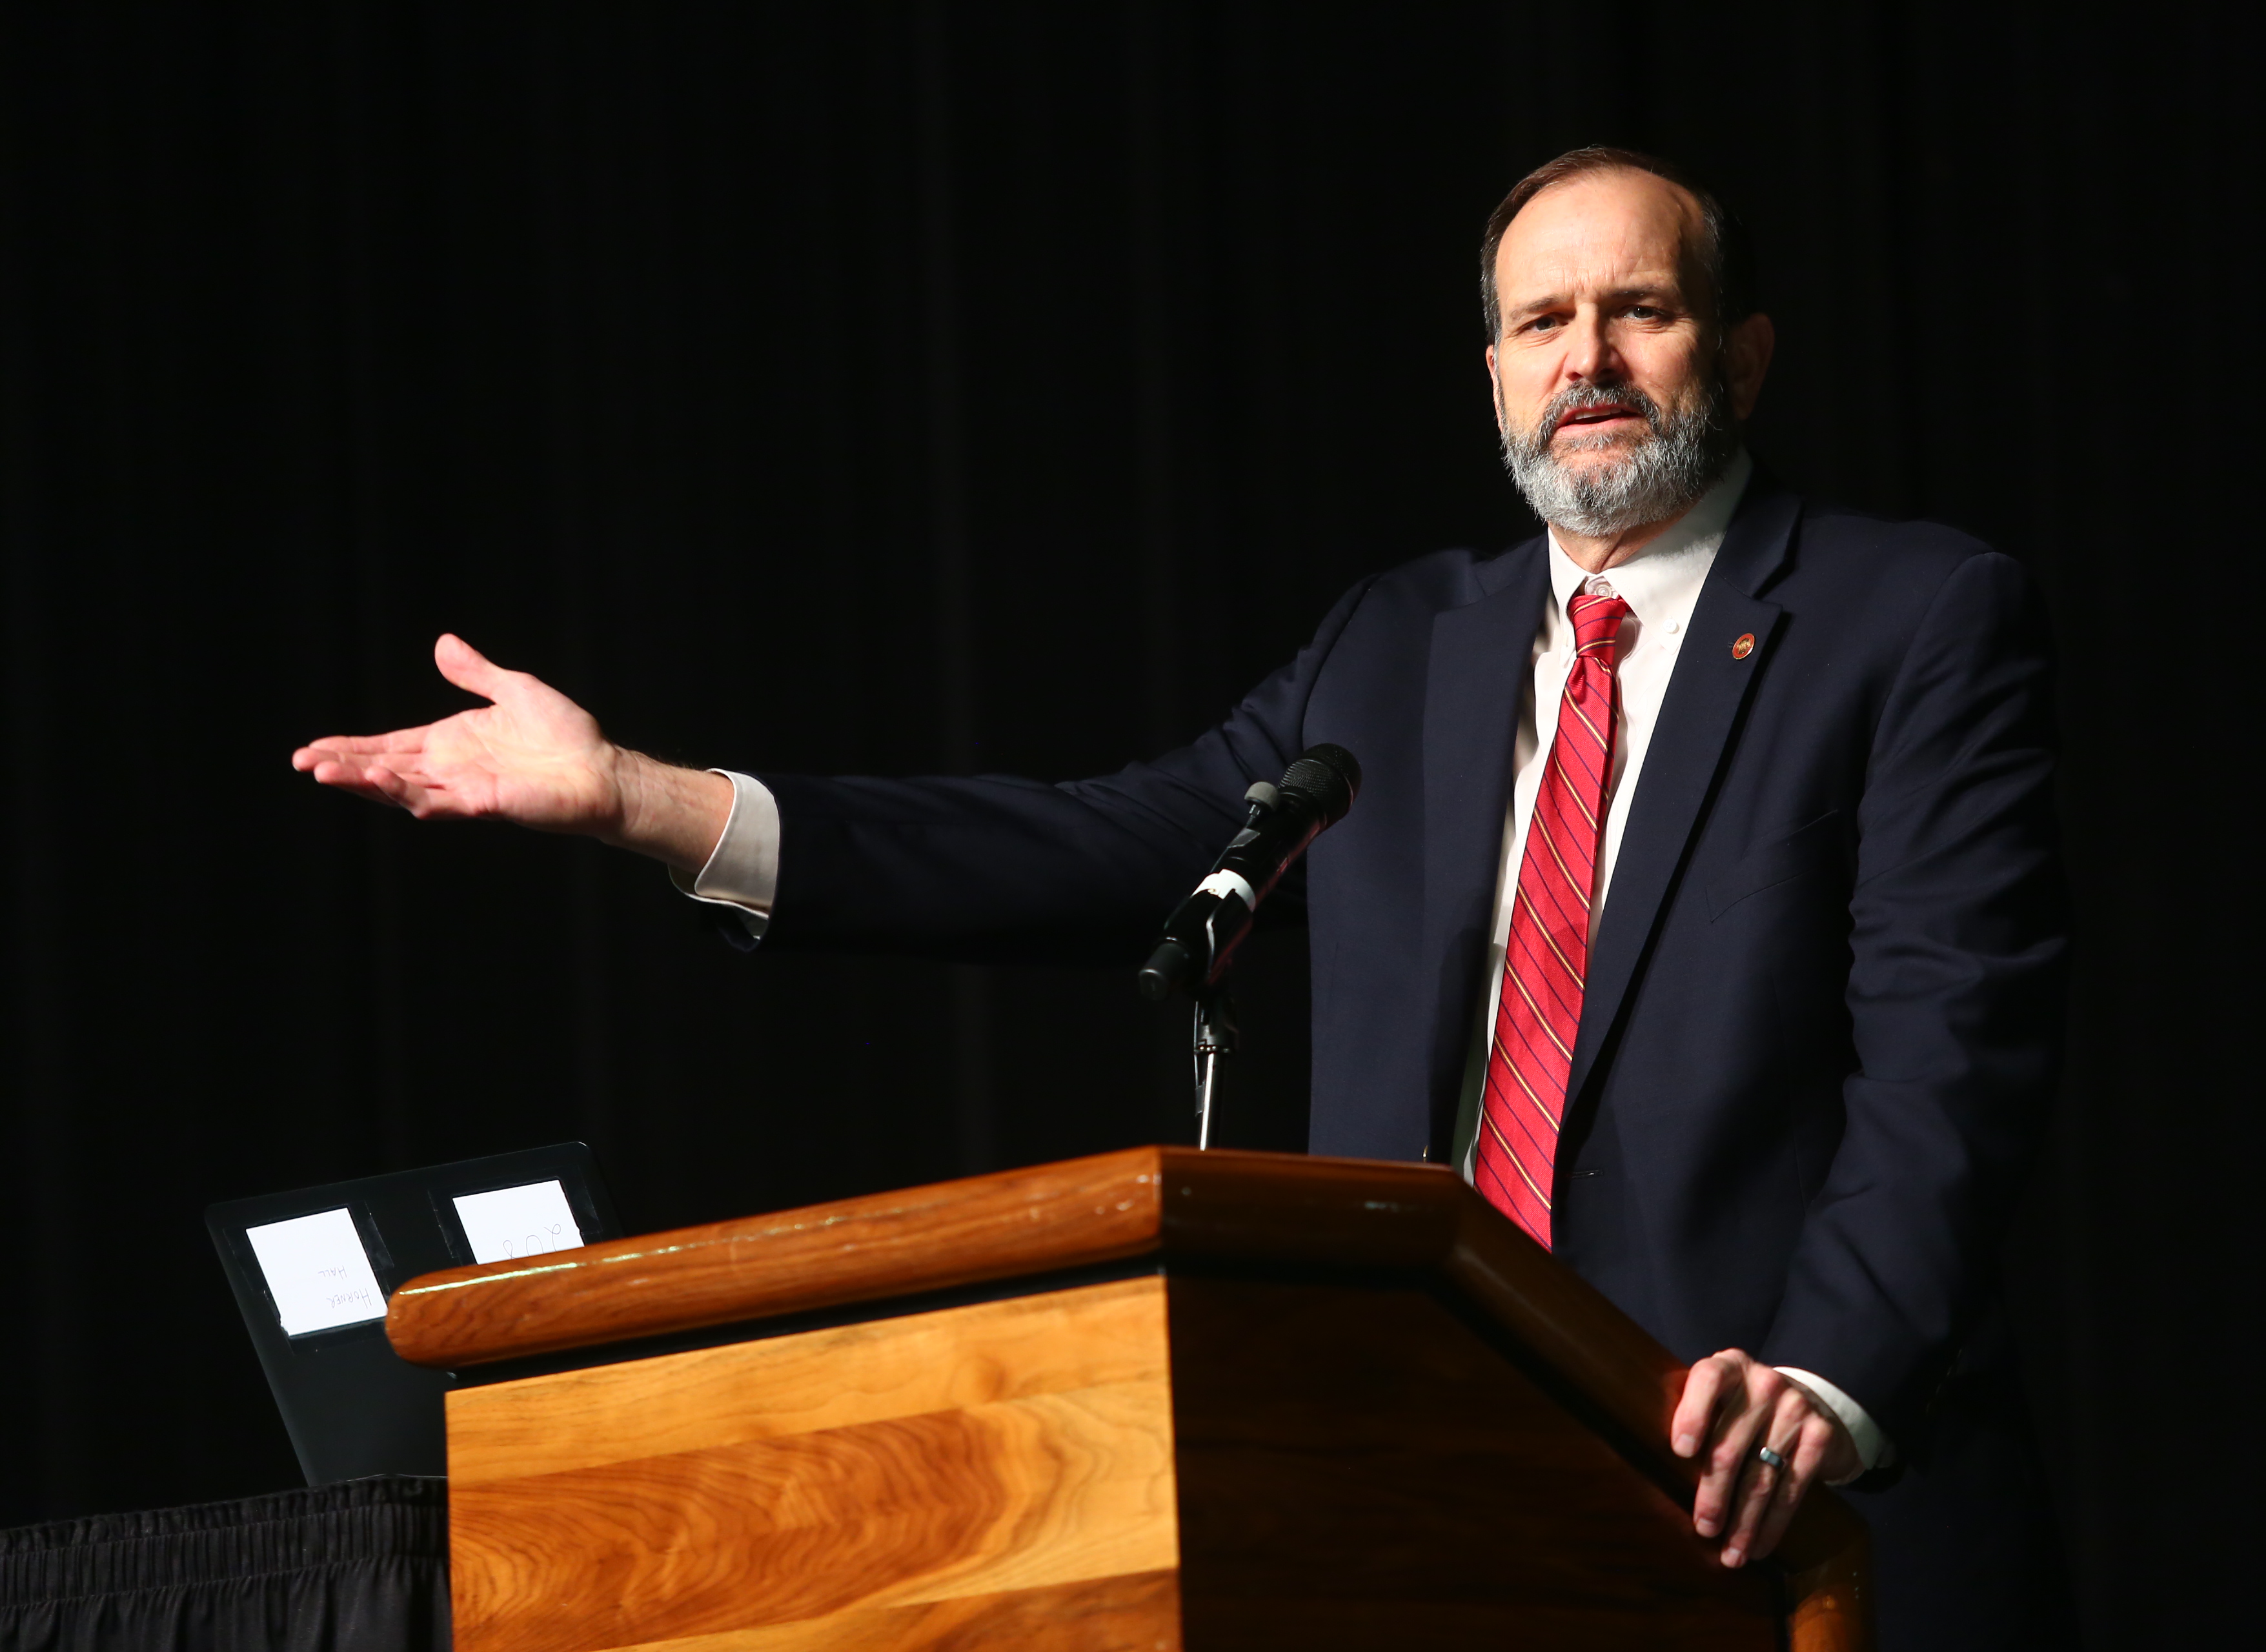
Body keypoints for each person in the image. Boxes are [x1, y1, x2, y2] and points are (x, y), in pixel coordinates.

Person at [295, 147, 2069, 1647]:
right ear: (1493, 372)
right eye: (1542, 322)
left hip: (1754, 1502)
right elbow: (1101, 847)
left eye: (1641, 311)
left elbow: (1952, 1051)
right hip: (1414, 1490)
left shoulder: (1905, 620)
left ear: (1742, 357)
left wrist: (1825, 1380)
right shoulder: (1399, 644)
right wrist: (642, 801)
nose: (1585, 357)